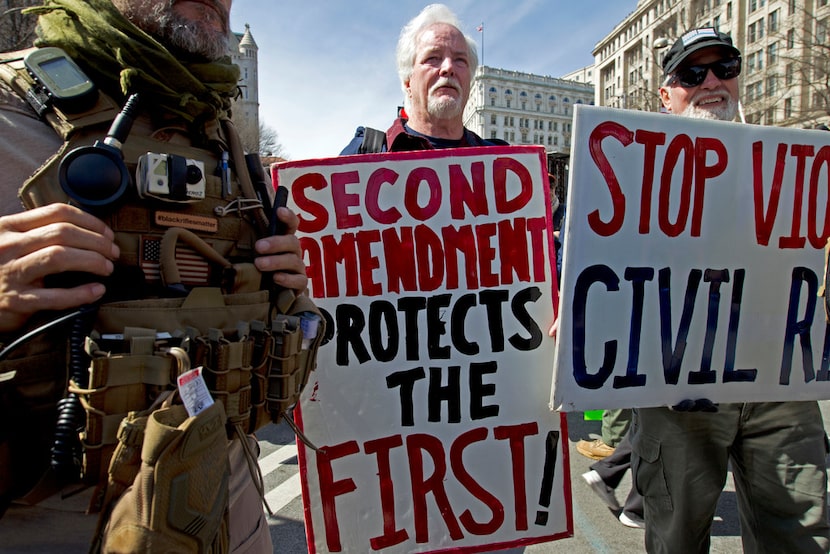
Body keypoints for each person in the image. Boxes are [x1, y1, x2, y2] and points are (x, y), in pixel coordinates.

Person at [0, 0, 312, 551]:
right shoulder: (11, 108)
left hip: (233, 512)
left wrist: (288, 293)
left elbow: (285, 331)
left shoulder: (226, 142)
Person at [631, 27, 830, 554]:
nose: (712, 82)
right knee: (676, 539)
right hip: (677, 390)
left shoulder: (791, 166)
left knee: (802, 536)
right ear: (667, 95)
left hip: (779, 385)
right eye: (692, 73)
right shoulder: (632, 173)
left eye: (725, 67)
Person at [340, 3, 506, 155]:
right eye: (433, 58)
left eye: (460, 60)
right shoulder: (363, 153)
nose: (448, 68)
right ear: (407, 81)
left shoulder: (503, 160)